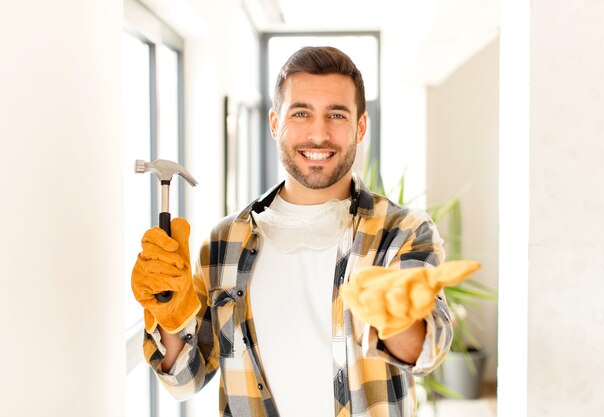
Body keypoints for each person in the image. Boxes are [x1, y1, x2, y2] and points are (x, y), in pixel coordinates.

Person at [132, 46, 454, 417]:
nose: (318, 134)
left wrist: (394, 313)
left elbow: (427, 351)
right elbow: (185, 379)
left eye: (337, 114)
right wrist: (168, 312)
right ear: (274, 122)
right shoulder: (223, 243)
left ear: (360, 126)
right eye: (301, 113)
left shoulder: (401, 232)